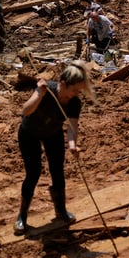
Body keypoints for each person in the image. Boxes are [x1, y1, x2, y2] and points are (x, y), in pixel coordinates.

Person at [14, 61, 93, 235]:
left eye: (79, 91)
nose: (76, 94)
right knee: (33, 173)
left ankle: (61, 210)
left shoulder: (74, 103)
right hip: (30, 133)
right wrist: (40, 94)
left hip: (53, 133)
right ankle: (22, 216)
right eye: (74, 90)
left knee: (57, 171)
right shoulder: (46, 89)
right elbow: (26, 110)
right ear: (63, 84)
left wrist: (73, 145)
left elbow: (73, 128)